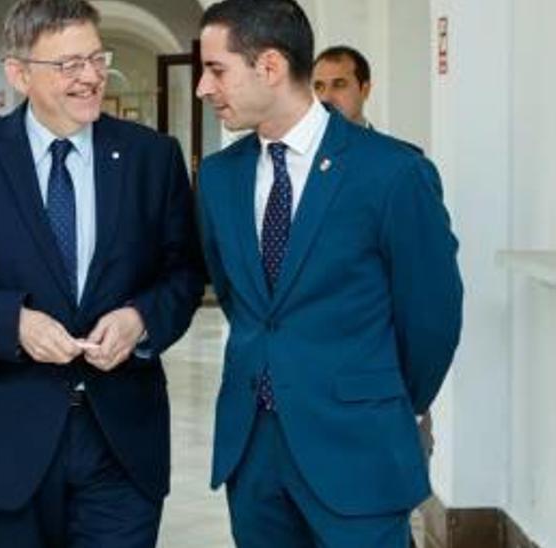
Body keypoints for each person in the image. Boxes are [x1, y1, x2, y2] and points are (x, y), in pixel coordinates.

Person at [0, 1, 206, 545]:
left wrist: (141, 320)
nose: (91, 76)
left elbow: (184, 273)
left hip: (121, 440)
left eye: (96, 58)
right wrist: (13, 323)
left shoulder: (152, 158)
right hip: (5, 440)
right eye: (69, 65)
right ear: (19, 73)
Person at [194, 1, 463, 546]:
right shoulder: (220, 178)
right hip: (254, 455)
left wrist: (378, 402)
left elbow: (431, 318)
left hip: (358, 449)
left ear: (268, 66)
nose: (203, 87)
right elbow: (238, 296)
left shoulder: (392, 172)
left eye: (216, 69)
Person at [311, 45, 372, 127]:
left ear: (365, 91)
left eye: (339, 85)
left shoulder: (383, 140)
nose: (325, 98)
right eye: (319, 87)